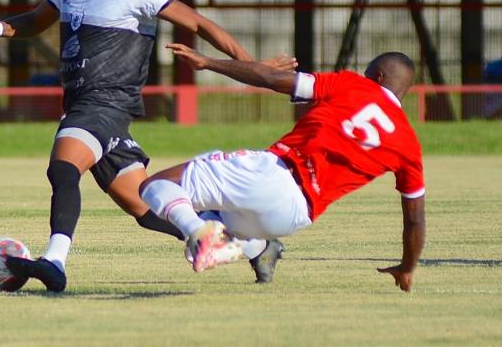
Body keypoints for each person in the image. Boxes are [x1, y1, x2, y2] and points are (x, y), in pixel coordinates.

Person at [0, 0, 290, 292]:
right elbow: (36, 21)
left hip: (105, 105)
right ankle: (256, 244)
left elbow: (202, 25)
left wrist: (253, 68)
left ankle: (55, 260)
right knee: (148, 209)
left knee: (63, 168)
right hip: (87, 109)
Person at [140, 47, 426, 292]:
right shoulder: (409, 144)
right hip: (293, 217)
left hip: (275, 174)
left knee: (157, 186)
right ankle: (259, 248)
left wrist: (209, 63)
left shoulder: (354, 85)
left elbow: (273, 78)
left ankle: (202, 237)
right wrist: (407, 266)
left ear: (377, 78)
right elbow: (415, 219)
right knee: (208, 211)